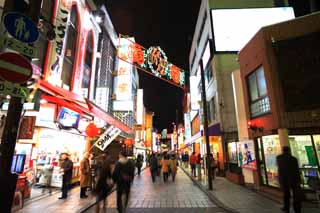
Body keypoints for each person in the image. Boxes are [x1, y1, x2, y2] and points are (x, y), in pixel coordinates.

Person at [276, 146, 302, 213]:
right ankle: (297, 209)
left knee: (286, 195)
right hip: (294, 180)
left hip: (284, 180)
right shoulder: (294, 159)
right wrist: (299, 180)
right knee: (295, 195)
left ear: (282, 150)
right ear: (289, 150)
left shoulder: (279, 158)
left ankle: (286, 208)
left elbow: (278, 167)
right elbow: (297, 170)